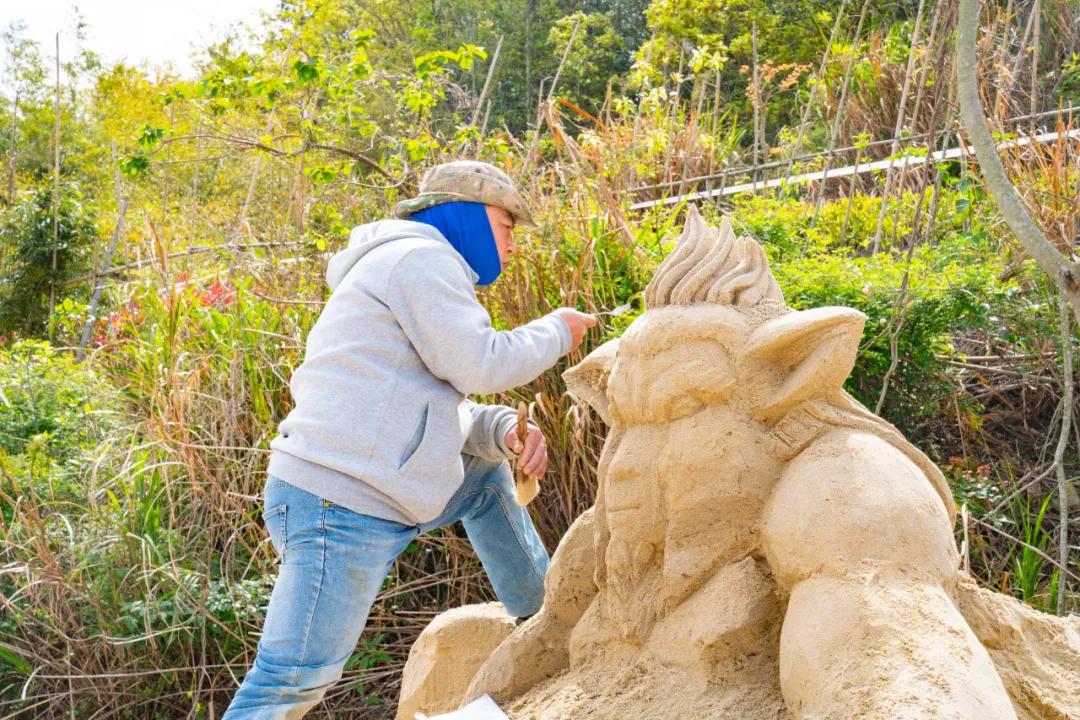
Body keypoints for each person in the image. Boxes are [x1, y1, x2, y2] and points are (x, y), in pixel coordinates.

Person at [222, 160, 597, 718]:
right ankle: (545, 619)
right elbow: (478, 363)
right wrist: (557, 331)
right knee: (291, 679)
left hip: (370, 488)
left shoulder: (407, 265)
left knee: (484, 480)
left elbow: (418, 408)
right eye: (506, 225)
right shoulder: (420, 259)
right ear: (465, 215)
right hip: (341, 501)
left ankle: (542, 619)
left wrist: (502, 432)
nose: (513, 244)